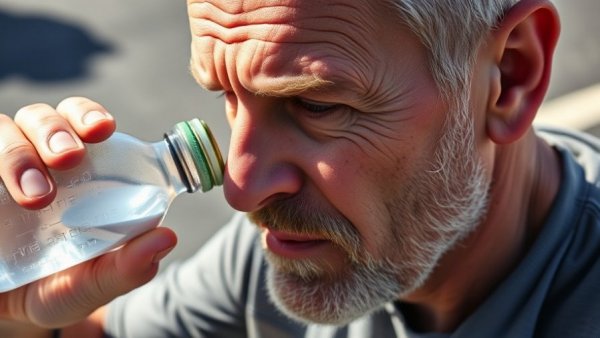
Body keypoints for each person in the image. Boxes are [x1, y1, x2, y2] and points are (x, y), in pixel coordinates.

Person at [1, 0, 599, 336]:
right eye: (227, 97)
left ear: (510, 77)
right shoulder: (296, 247)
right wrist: (19, 310)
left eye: (317, 105)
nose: (240, 189)